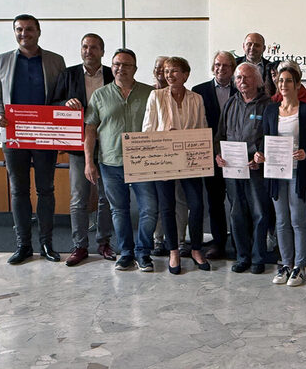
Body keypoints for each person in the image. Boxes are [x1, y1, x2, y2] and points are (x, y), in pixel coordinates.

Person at [0, 14, 66, 264]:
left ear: (38, 31)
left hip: (45, 135)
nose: (24, 34)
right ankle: (23, 245)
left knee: (46, 190)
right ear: (14, 32)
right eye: (19, 29)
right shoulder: (2, 60)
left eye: (29, 29)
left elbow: (62, 96)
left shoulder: (55, 60)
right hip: (13, 135)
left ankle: (47, 244)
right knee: (19, 190)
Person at [84, 48, 157, 271]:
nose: (120, 68)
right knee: (119, 210)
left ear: (135, 68)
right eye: (117, 64)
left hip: (143, 162)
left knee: (149, 209)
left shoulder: (150, 93)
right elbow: (90, 130)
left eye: (126, 65)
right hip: (111, 162)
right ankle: (126, 253)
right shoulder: (100, 95)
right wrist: (88, 162)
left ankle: (143, 252)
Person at [50, 33, 115, 266]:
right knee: (79, 198)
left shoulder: (112, 74)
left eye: (94, 47)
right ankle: (79, 245)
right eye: (85, 47)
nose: (89, 51)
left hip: (108, 146)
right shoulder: (68, 75)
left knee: (106, 198)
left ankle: (104, 242)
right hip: (78, 146)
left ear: (102, 51)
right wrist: (64, 103)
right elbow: (52, 104)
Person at [254, 61, 306, 286]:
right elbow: (265, 140)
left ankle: (300, 267)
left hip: (298, 174)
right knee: (281, 221)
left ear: (297, 84)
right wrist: (260, 154)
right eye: (280, 80)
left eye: (288, 81)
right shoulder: (271, 110)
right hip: (276, 173)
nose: (283, 84)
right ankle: (286, 264)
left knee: (298, 220)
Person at [142, 57, 210, 274]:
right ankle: (173, 251)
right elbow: (147, 129)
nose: (169, 75)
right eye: (166, 71)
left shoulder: (196, 98)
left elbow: (202, 128)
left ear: (186, 75)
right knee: (167, 206)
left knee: (196, 205)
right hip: (164, 159)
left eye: (174, 71)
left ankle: (196, 248)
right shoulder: (156, 96)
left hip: (190, 159)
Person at [214, 63, 273, 275]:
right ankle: (242, 256)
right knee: (236, 213)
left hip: (256, 170)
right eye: (238, 78)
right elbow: (221, 135)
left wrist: (262, 154)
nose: (242, 81)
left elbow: (273, 137)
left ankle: (258, 258)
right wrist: (218, 154)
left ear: (257, 80)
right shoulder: (231, 103)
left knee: (260, 213)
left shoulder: (268, 105)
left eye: (247, 77)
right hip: (233, 170)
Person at [192, 51, 237, 260]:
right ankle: (219, 243)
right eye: (218, 65)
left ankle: (239, 243)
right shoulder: (199, 91)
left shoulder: (241, 88)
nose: (221, 69)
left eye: (226, 65)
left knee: (238, 202)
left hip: (236, 155)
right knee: (215, 202)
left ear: (233, 68)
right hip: (209, 154)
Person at [236, 32, 276, 97]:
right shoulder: (234, 65)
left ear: (264, 48)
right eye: (249, 44)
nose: (252, 48)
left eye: (257, 45)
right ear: (243, 46)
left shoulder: (271, 67)